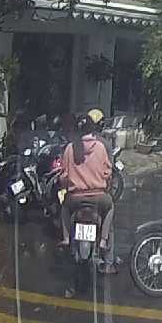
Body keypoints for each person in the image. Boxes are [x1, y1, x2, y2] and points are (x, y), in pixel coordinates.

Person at [59, 109, 117, 282]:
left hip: (75, 199)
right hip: (99, 197)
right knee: (110, 208)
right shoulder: (101, 147)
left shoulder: (70, 148)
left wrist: (66, 185)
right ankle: (103, 240)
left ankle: (66, 238)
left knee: (64, 208)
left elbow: (64, 176)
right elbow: (108, 173)